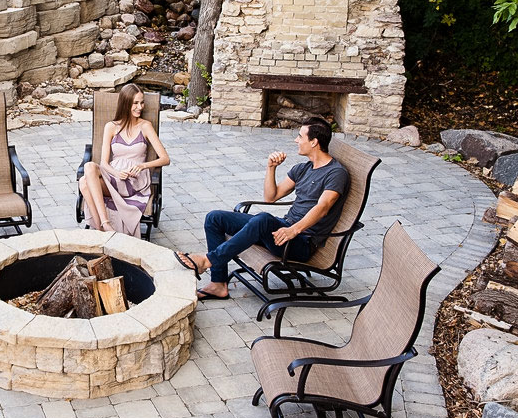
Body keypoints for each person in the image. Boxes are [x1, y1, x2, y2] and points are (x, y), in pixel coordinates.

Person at [176, 116, 350, 301]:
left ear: (314, 142)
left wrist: (294, 230)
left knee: (264, 219)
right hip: (284, 230)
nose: (296, 140)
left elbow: (323, 207)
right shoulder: (303, 168)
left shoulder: (336, 173)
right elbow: (271, 197)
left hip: (301, 242)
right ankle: (218, 284)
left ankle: (207, 260)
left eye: (300, 136)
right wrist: (271, 168)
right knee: (215, 218)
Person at [78, 85, 171, 236]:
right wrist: (116, 173)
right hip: (114, 175)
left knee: (84, 182)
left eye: (141, 102)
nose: (139, 107)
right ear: (125, 103)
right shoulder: (111, 127)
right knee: (88, 170)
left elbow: (165, 159)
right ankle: (104, 225)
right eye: (135, 103)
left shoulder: (145, 126)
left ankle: (101, 229)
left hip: (133, 180)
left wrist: (142, 165)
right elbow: (103, 163)